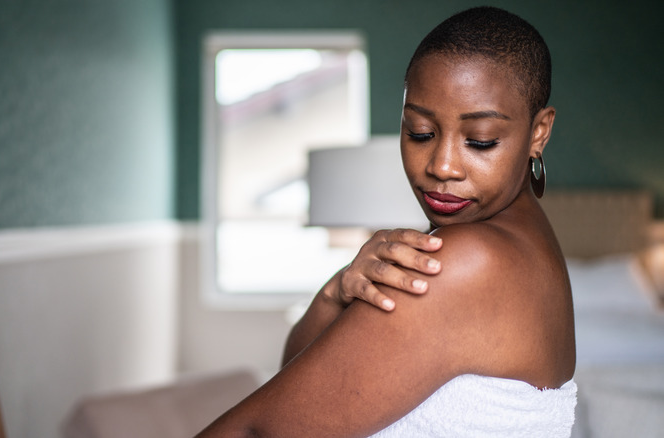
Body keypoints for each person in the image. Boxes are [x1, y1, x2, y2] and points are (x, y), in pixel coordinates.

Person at [197, 6, 576, 437]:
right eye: (420, 132)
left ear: (539, 132)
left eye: (480, 140)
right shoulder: (529, 242)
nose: (442, 165)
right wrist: (335, 291)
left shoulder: (467, 261)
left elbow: (257, 431)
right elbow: (296, 384)